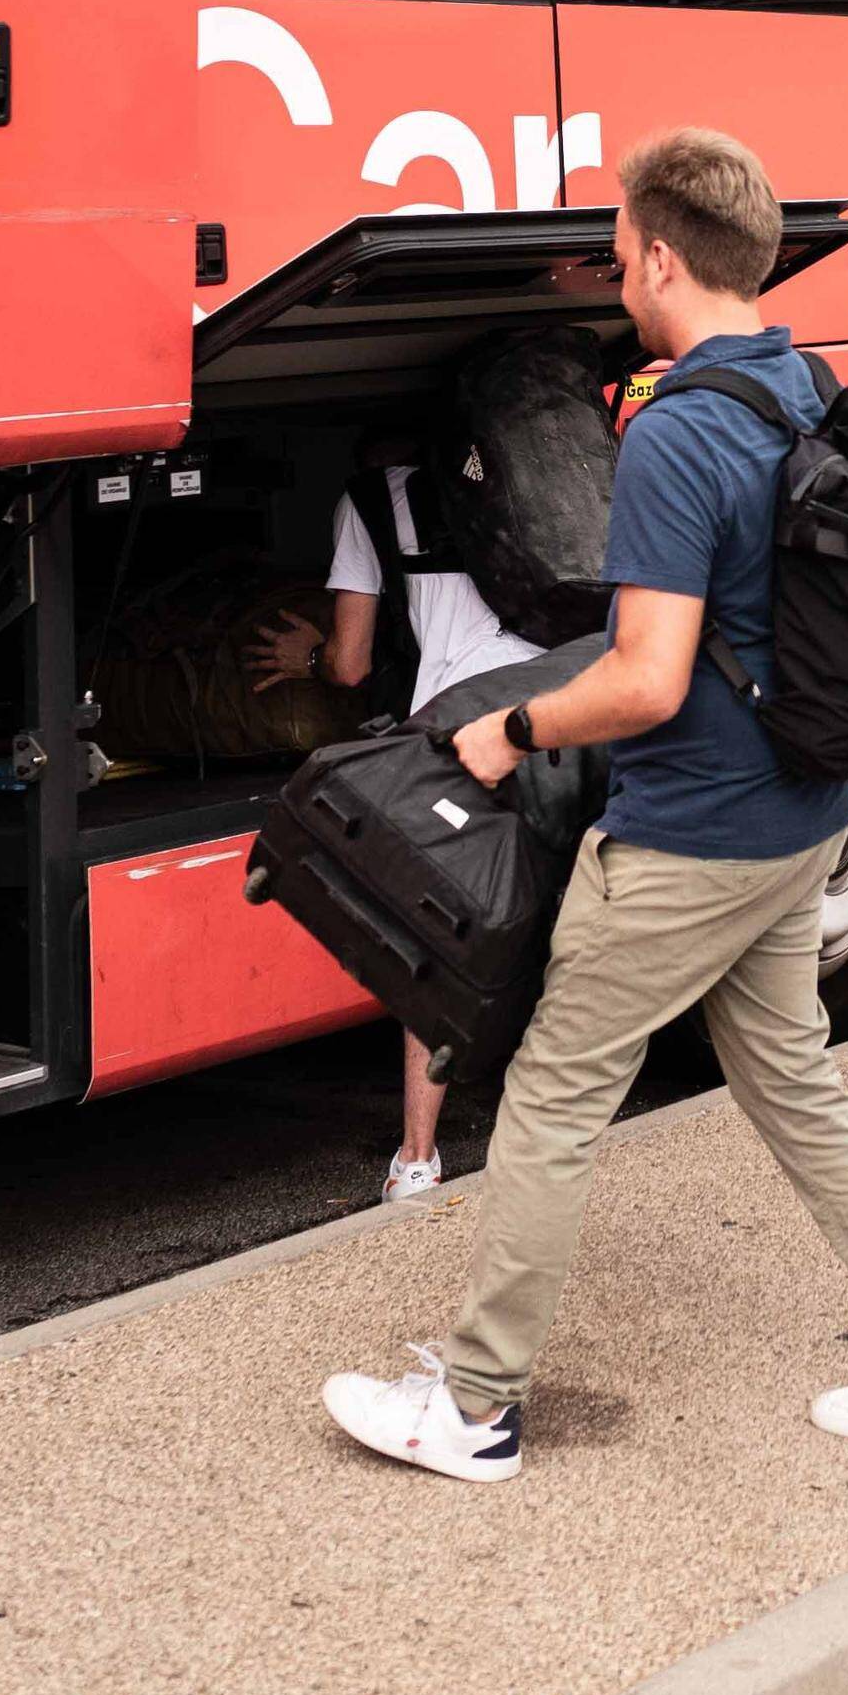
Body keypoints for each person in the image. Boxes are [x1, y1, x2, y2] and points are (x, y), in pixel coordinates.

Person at [321, 128, 848, 1483]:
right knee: (796, 1085)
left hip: (692, 829)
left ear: (661, 258)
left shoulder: (679, 430)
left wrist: (509, 730)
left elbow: (643, 679)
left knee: (556, 1092)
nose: (617, 270)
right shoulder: (799, 384)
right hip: (801, 813)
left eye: (625, 251)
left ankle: (474, 1406)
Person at [268, 450, 542, 1201]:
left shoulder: (370, 495)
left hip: (464, 724)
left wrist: (314, 653)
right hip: (565, 696)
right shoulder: (537, 463)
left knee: (438, 931)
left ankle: (417, 1160)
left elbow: (353, 664)